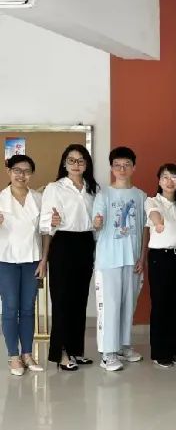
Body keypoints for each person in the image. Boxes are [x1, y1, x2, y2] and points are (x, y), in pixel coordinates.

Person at [40, 144, 99, 371]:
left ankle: (76, 350)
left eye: (80, 160)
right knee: (62, 300)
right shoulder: (55, 188)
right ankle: (61, 353)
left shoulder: (93, 189)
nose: (76, 164)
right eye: (71, 160)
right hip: (63, 243)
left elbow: (96, 220)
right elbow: (45, 222)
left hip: (86, 243)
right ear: (64, 163)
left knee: (80, 299)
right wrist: (51, 222)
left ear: (86, 164)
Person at [92, 147, 148, 372]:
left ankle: (124, 346)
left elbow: (144, 229)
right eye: (117, 165)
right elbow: (96, 225)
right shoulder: (103, 195)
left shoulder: (141, 196)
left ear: (134, 167)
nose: (122, 169)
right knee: (110, 307)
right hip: (109, 260)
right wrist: (97, 223)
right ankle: (108, 353)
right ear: (111, 168)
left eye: (126, 165)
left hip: (132, 260)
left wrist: (142, 257)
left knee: (128, 305)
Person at [0, 155, 45, 375]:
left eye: (27, 171)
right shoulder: (1, 199)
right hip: (6, 260)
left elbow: (45, 231)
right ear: (9, 171)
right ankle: (13, 356)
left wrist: (44, 260)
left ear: (31, 174)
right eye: (17, 170)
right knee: (10, 308)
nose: (21, 175)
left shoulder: (38, 199)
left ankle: (27, 354)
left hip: (32, 259)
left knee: (28, 308)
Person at [146, 163, 176, 368]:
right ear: (159, 181)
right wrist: (159, 224)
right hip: (160, 257)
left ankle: (174, 350)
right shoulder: (152, 201)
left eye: (174, 177)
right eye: (165, 177)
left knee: (175, 305)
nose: (169, 181)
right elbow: (154, 214)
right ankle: (159, 352)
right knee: (160, 305)